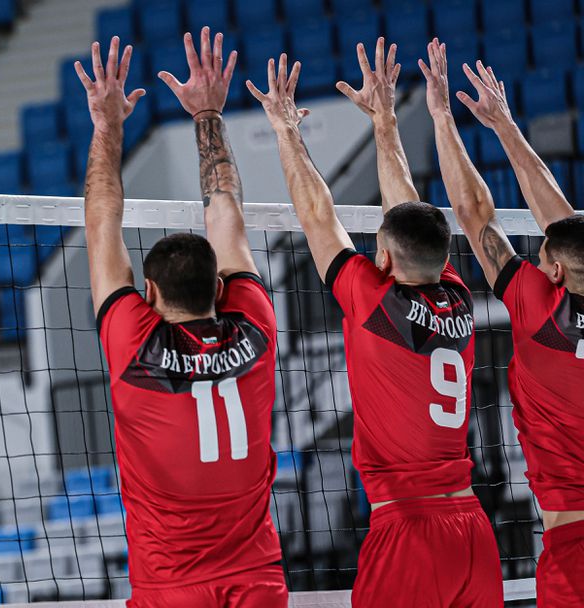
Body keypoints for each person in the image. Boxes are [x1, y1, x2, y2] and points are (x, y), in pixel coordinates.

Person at [247, 39, 502, 606]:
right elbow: (406, 213)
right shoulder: (458, 297)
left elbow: (318, 215)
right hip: (471, 527)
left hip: (408, 528)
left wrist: (286, 130)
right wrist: (385, 121)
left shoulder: (374, 300)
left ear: (383, 258)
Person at [76, 29, 288, 607]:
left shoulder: (132, 342)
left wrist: (107, 125)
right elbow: (227, 214)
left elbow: (100, 219)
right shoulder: (256, 329)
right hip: (256, 577)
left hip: (171, 585)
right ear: (220, 288)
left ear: (147, 293)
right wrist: (208, 116)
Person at [438, 46, 584, 606]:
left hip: (573, 545)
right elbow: (566, 229)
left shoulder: (538, 310)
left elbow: (475, 215)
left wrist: (447, 118)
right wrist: (505, 124)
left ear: (555, 272)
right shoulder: (547, 296)